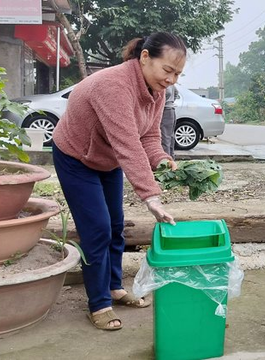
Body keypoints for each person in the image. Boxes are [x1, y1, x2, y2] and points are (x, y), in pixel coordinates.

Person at [52, 32, 187, 330]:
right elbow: (127, 144)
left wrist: (160, 159)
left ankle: (115, 287)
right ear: (144, 57)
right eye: (168, 70)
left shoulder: (156, 89)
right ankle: (98, 303)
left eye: (178, 73)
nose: (172, 79)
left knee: (115, 225)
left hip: (107, 158)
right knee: (96, 229)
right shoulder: (113, 85)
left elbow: (148, 136)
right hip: (76, 156)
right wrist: (151, 197)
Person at [161, 85, 178, 158]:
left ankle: (167, 161)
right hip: (171, 109)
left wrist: (162, 102)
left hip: (165, 109)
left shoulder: (164, 82)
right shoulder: (171, 83)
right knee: (170, 137)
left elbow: (167, 92)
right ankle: (171, 158)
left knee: (165, 138)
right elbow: (176, 92)